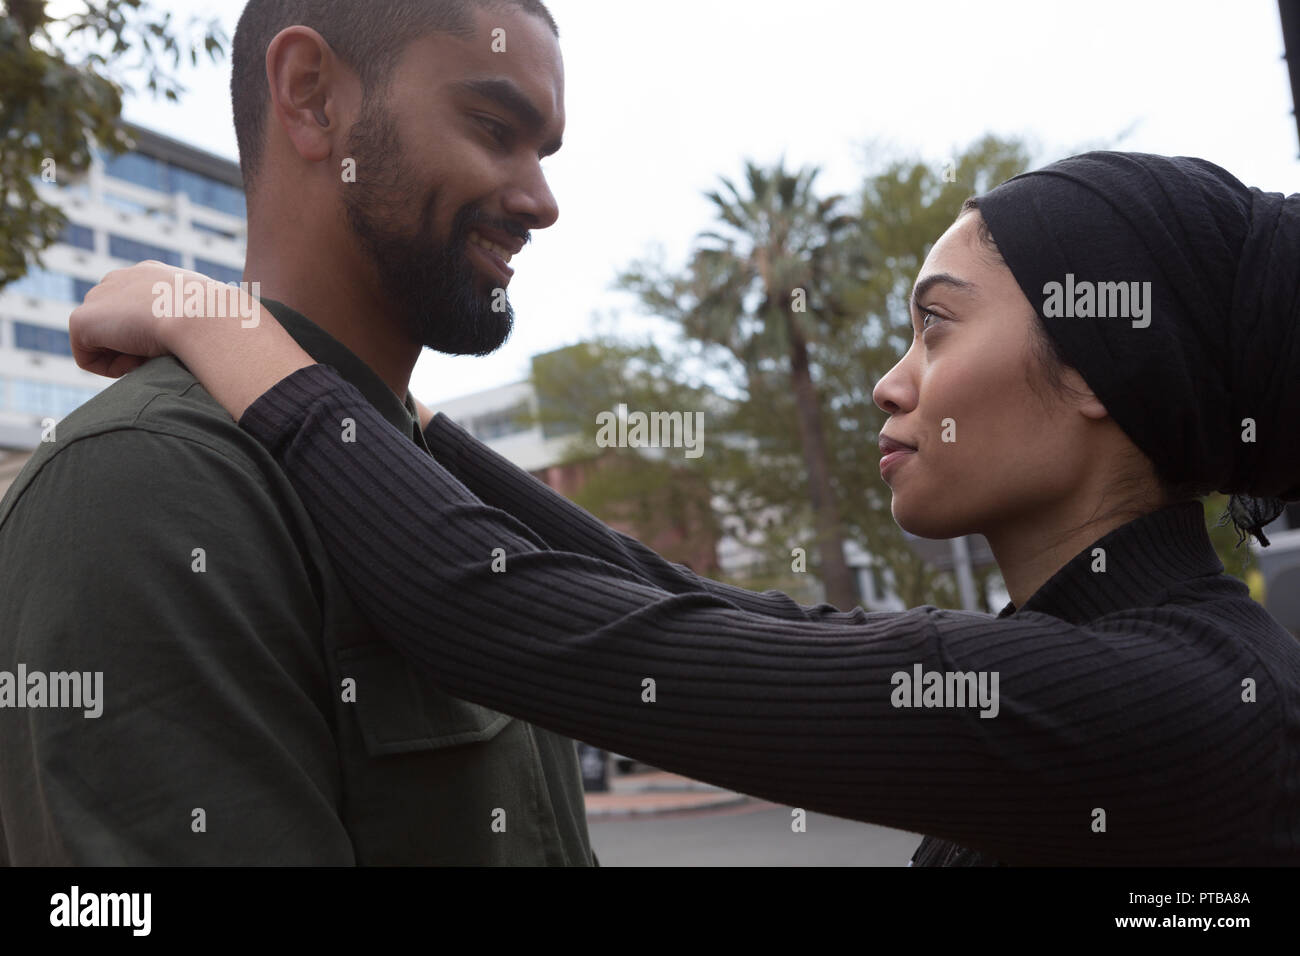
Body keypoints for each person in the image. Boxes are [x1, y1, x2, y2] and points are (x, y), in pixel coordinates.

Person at [70, 151, 1300, 866]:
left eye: (935, 324)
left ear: (1095, 368)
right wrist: (396, 410)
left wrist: (215, 321)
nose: (890, 379)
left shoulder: (1173, 702)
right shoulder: (1139, 651)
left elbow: (501, 615)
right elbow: (684, 603)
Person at [0, 0, 596, 866]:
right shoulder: (145, 482)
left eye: (542, 153)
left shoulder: (459, 491)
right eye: (494, 126)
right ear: (312, 97)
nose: (542, 203)